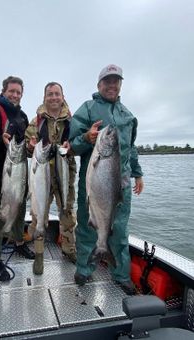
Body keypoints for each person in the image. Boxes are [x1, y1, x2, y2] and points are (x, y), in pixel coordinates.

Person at [69, 64, 144, 295]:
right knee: (87, 226)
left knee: (119, 229)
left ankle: (121, 274)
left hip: (121, 183)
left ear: (120, 84)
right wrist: (86, 137)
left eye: (116, 81)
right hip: (92, 181)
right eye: (107, 81)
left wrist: (137, 173)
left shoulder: (128, 115)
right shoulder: (88, 109)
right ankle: (85, 267)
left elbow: (130, 148)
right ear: (99, 85)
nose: (112, 85)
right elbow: (71, 145)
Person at [0, 76, 35, 282]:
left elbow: (25, 146)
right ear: (3, 91)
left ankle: (19, 243)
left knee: (20, 210)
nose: (14, 95)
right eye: (11, 91)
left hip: (20, 173)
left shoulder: (22, 116)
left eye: (18, 92)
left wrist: (30, 147)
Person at [25, 82, 77, 275]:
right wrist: (30, 147)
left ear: (63, 96)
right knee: (38, 214)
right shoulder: (35, 122)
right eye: (50, 94)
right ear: (44, 97)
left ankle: (69, 250)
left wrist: (74, 145)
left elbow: (79, 144)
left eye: (57, 94)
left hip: (65, 175)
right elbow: (27, 150)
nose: (54, 97)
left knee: (67, 213)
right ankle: (39, 255)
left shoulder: (73, 121)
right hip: (41, 177)